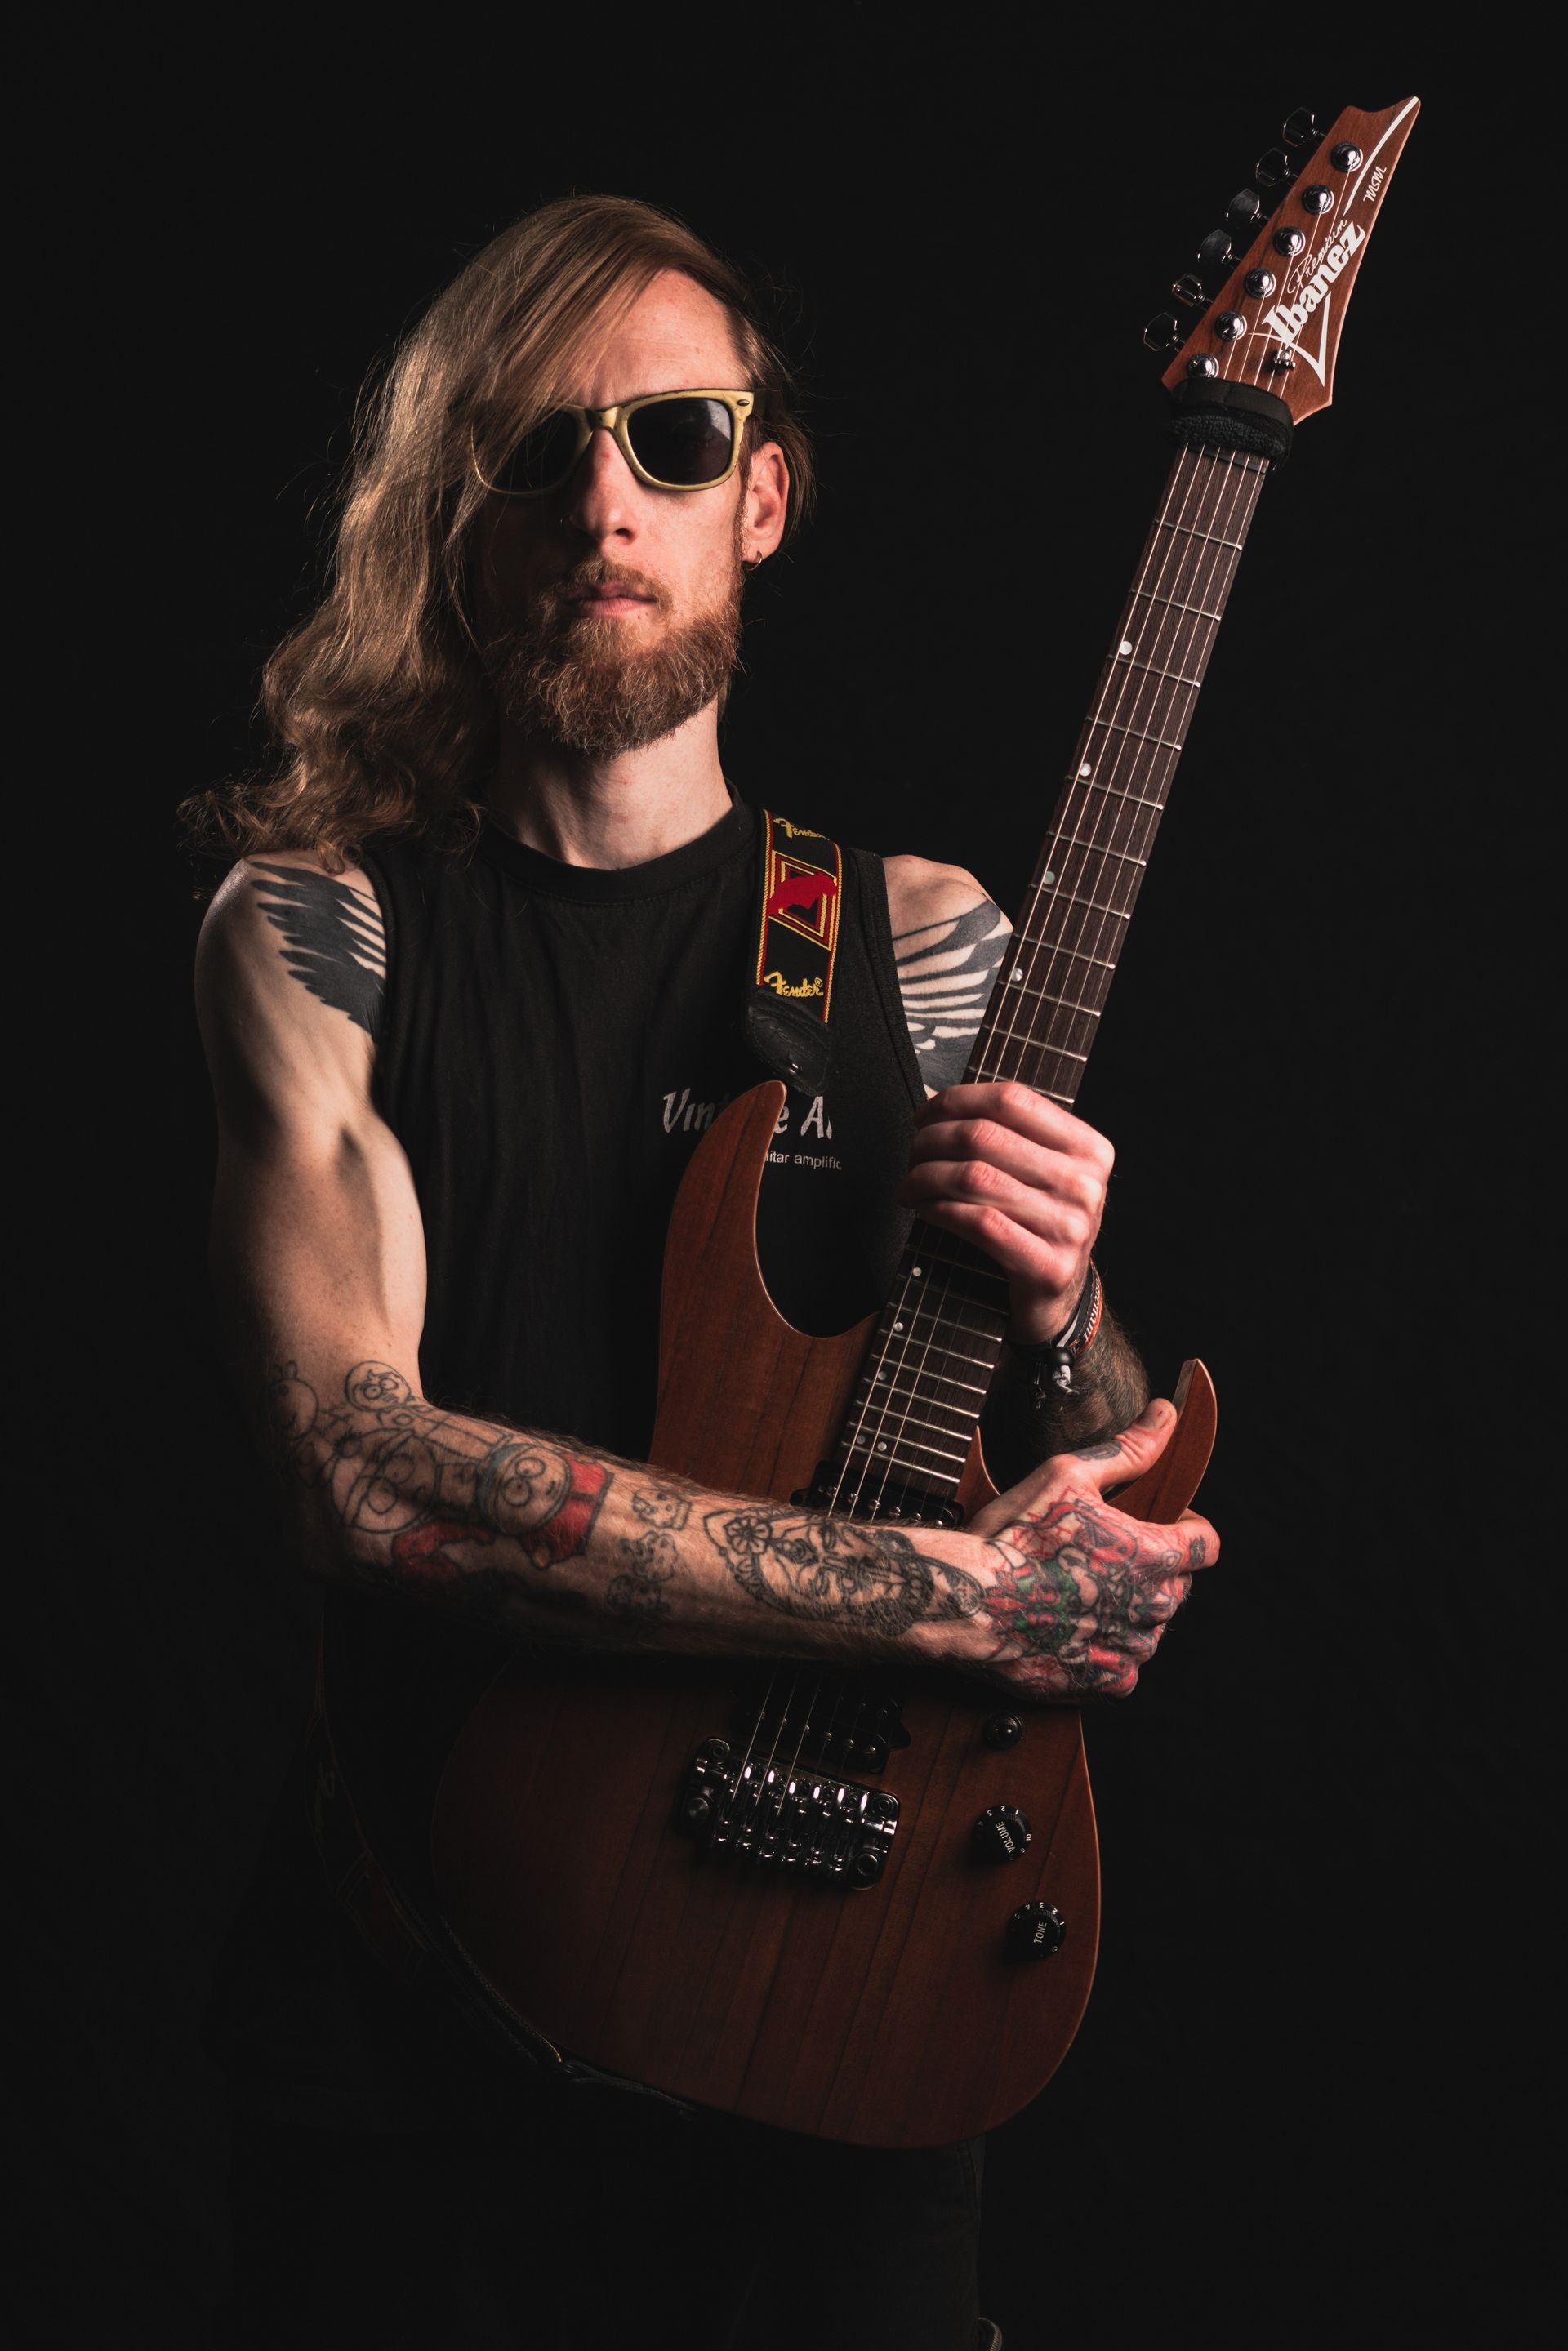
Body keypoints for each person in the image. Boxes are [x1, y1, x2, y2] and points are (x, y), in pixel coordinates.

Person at [189, 193, 1218, 2351]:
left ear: (761, 497)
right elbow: (360, 1472)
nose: (606, 502)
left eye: (672, 440)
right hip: (425, 2026)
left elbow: (1095, 1493)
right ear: (457, 518)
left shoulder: (920, 942)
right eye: (537, 448)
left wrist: (1064, 1313)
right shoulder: (325, 933)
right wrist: (928, 1594)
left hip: (857, 1992)